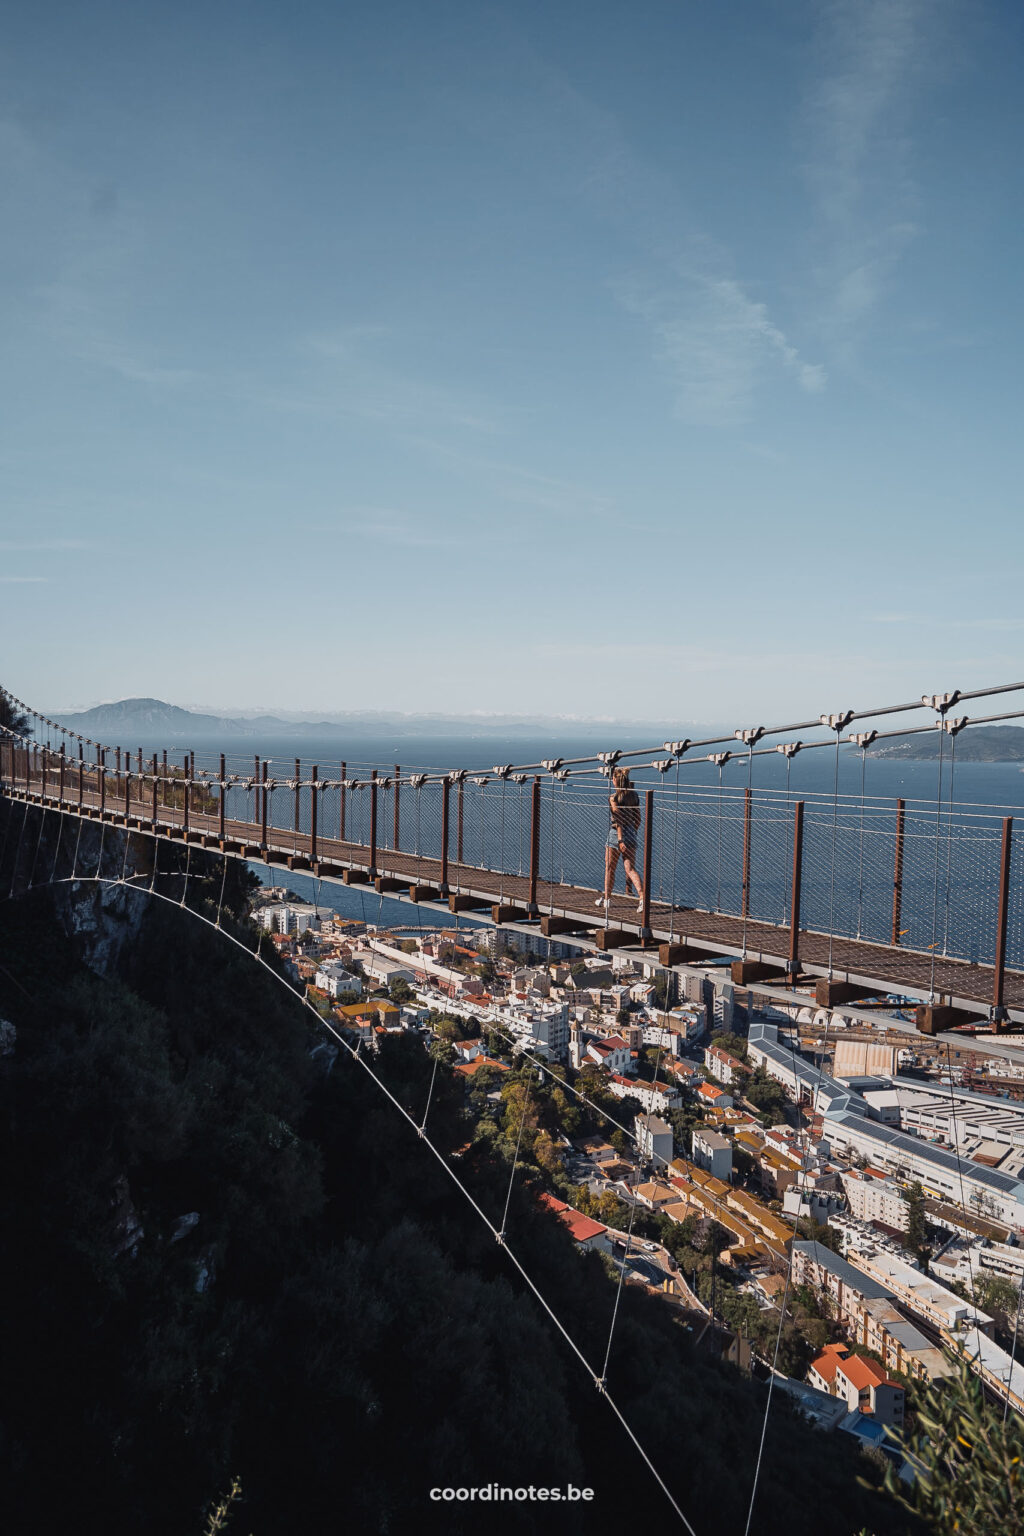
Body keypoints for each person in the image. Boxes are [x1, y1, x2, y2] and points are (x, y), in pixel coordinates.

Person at [596, 766, 645, 914]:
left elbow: (618, 819)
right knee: (630, 869)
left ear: (616, 780)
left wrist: (620, 839)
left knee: (610, 868)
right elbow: (638, 819)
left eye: (612, 778)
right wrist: (632, 833)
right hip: (631, 832)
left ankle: (607, 899)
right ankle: (642, 898)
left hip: (616, 835)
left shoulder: (614, 798)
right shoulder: (634, 796)